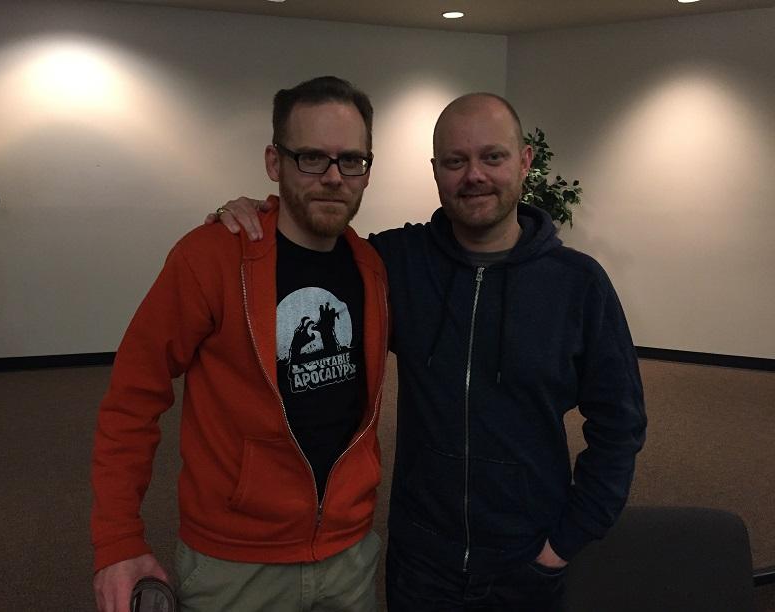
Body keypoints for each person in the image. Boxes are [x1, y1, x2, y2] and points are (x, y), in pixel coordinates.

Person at [212, 92, 647, 610]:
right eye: (455, 161)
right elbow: (311, 242)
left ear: (525, 160)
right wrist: (258, 210)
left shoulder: (579, 285)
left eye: (493, 157)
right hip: (422, 557)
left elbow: (620, 426)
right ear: (436, 170)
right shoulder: (394, 262)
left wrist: (565, 542)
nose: (474, 176)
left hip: (528, 556)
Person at [91, 76, 390, 612]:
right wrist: (117, 541)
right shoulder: (210, 258)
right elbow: (132, 399)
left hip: (349, 555)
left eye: (351, 160)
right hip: (235, 564)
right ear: (275, 163)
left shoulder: (373, 268)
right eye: (311, 159)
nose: (333, 177)